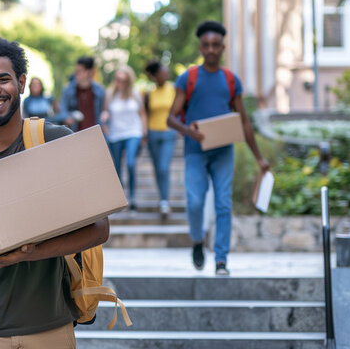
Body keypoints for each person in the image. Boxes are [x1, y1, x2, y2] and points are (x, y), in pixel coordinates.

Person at [0, 37, 109, 348]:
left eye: (3, 79)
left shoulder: (54, 140)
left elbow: (99, 228)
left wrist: (32, 252)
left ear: (21, 83)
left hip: (50, 324)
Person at [167, 21, 269, 276]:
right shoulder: (188, 78)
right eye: (206, 45)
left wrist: (259, 158)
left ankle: (221, 260)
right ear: (200, 47)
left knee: (224, 204)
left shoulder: (230, 80)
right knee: (195, 201)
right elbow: (170, 118)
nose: (211, 49)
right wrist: (191, 132)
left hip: (223, 151)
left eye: (216, 45)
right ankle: (198, 241)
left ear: (223, 47)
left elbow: (244, 121)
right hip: (195, 150)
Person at [99, 66, 146, 212]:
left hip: (133, 132)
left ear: (128, 81)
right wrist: (105, 119)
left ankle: (133, 197)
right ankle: (120, 199)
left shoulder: (135, 94)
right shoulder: (110, 93)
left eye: (123, 80)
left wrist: (144, 132)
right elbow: (105, 111)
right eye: (117, 79)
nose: (119, 83)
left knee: (131, 163)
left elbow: (142, 113)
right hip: (116, 134)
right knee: (117, 167)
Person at [144, 61, 177, 217]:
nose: (166, 75)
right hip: (153, 133)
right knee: (157, 168)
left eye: (167, 73)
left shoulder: (173, 90)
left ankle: (164, 201)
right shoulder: (149, 92)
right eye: (163, 73)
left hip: (168, 133)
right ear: (156, 76)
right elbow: (145, 112)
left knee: (164, 167)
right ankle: (162, 197)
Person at [59, 56, 106, 131]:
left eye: (79, 71)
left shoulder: (100, 90)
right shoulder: (68, 90)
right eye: (76, 71)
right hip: (75, 133)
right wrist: (67, 118)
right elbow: (62, 111)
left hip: (95, 133)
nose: (76, 74)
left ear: (88, 72)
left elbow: (103, 111)